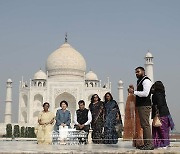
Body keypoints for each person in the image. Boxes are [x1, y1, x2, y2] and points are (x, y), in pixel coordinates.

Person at [129, 66, 154, 150]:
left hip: (144, 105)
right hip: (141, 105)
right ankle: (146, 143)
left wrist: (134, 92)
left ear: (143, 71)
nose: (136, 73)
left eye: (138, 72)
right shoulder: (140, 81)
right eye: (135, 72)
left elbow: (146, 93)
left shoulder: (146, 80)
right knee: (144, 125)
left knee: (145, 125)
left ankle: (149, 144)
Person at [151, 81, 175, 149]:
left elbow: (159, 104)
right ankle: (165, 144)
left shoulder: (156, 95)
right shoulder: (162, 94)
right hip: (165, 114)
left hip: (160, 115)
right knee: (164, 130)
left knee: (161, 130)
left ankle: (162, 144)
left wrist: (156, 111)